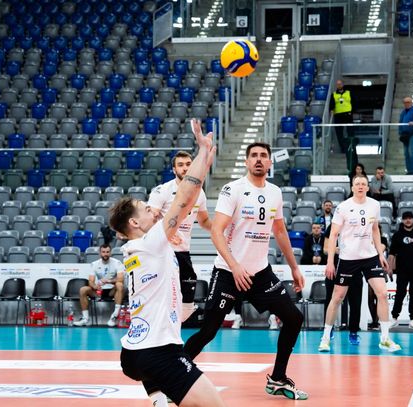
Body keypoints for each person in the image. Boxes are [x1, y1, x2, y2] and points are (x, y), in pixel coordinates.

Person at [108, 119, 225, 407]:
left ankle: (158, 399)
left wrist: (203, 163)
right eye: (145, 209)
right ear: (135, 223)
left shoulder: (133, 249)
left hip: (132, 352)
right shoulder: (151, 243)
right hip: (158, 351)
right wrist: (202, 151)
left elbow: (189, 197)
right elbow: (184, 196)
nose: (153, 210)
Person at [183, 142, 308, 401]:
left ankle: (277, 378)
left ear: (270, 162)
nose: (259, 159)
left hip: (260, 273)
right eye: (254, 156)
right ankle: (174, 376)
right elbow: (216, 231)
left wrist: (294, 268)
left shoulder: (275, 192)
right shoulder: (233, 190)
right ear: (246, 161)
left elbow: (280, 231)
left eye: (263, 156)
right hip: (228, 272)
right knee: (208, 331)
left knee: (294, 318)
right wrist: (234, 265)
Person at [319, 173, 401, 352]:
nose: (361, 186)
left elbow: (375, 230)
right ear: (352, 187)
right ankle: (325, 338)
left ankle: (385, 338)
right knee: (337, 297)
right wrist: (330, 262)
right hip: (348, 258)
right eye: (357, 184)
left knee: (382, 293)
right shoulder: (343, 207)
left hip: (370, 257)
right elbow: (333, 235)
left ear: (368, 187)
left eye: (364, 183)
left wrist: (380, 254)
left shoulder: (374, 205)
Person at [147, 150, 212, 322]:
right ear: (174, 169)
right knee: (162, 296)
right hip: (162, 250)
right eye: (181, 165)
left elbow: (204, 221)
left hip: (183, 251)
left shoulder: (200, 193)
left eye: (189, 164)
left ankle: (174, 327)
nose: (185, 168)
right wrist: (166, 234)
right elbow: (148, 219)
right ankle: (158, 328)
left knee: (187, 298)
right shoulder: (163, 190)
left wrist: (221, 230)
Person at [322, 222, 363, 341]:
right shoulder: (333, 226)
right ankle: (328, 330)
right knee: (330, 300)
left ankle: (354, 331)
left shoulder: (358, 225)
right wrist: (336, 250)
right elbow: (325, 249)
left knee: (355, 302)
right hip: (334, 269)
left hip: (355, 268)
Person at [73, 244, 126, 327]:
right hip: (99, 290)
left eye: (107, 252)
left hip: (112, 291)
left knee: (119, 285)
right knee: (83, 289)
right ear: (100, 253)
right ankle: (85, 319)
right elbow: (91, 281)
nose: (105, 254)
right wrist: (95, 286)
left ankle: (114, 316)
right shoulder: (94, 264)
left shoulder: (117, 263)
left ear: (110, 253)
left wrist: (109, 281)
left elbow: (121, 279)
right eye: (103, 252)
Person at [330, 79, 357, 173]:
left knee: (350, 132)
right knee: (339, 133)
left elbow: (354, 102)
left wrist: (352, 111)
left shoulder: (349, 92)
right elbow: (331, 105)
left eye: (340, 84)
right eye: (337, 84)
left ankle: (351, 148)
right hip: (338, 116)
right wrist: (331, 110)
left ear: (343, 84)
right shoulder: (333, 94)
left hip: (348, 114)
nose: (339, 85)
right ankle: (343, 148)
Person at [368, 224, 389, 331]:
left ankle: (379, 322)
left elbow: (380, 248)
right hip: (367, 268)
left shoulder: (383, 239)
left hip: (379, 268)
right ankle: (374, 321)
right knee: (370, 298)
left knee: (379, 296)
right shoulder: (367, 238)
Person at [398, 97, 413, 175]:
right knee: (406, 153)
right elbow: (400, 122)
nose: (406, 104)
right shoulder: (403, 112)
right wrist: (400, 132)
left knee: (411, 151)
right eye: (405, 102)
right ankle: (409, 170)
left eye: (408, 102)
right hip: (405, 134)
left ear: (411, 102)